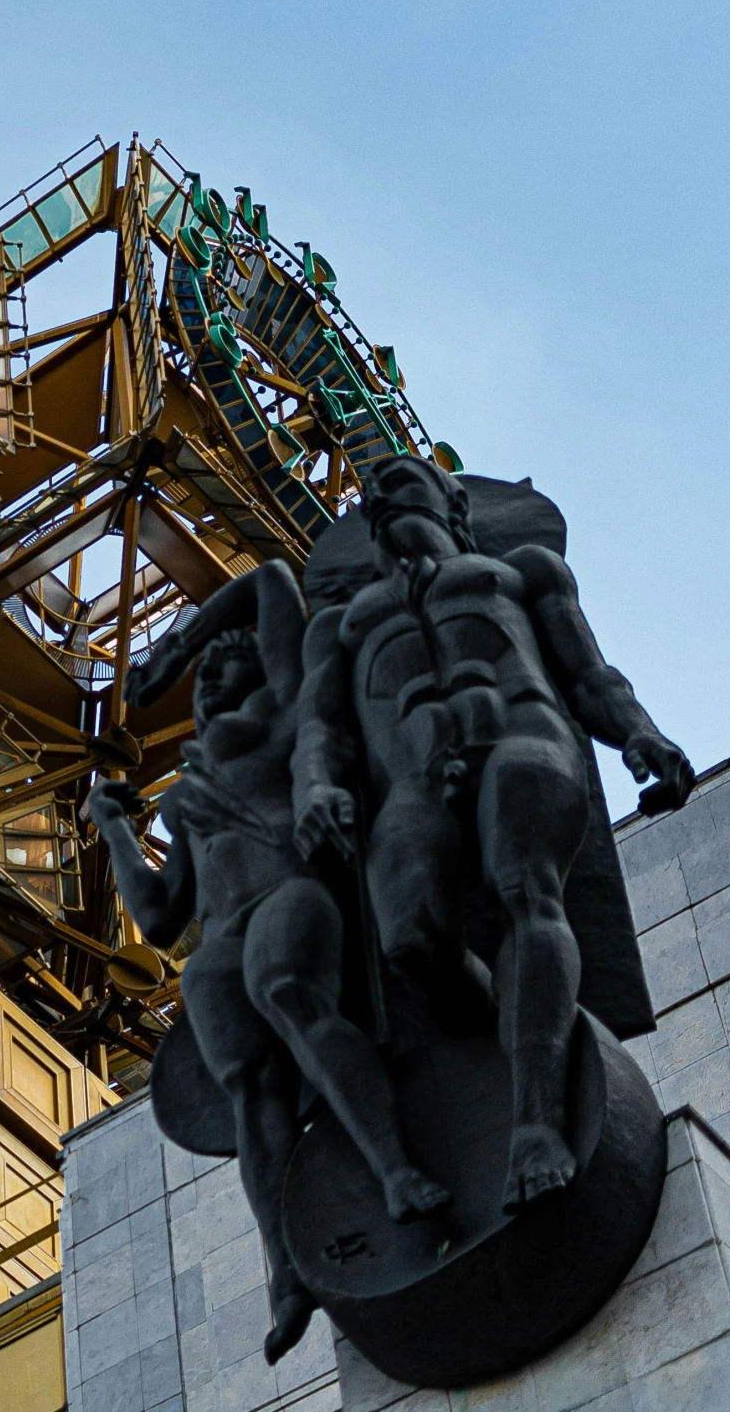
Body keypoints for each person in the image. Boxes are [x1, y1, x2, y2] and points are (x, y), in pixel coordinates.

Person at [291, 455, 694, 1211]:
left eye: (403, 481)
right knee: (408, 938)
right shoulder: (342, 627)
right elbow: (321, 729)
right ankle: (501, 1022)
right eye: (371, 493)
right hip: (410, 778)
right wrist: (315, 786)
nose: (381, 494)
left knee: (527, 888)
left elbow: (589, 673)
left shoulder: (519, 571)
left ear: (454, 502)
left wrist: (640, 732)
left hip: (522, 736)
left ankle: (535, 1120)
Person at [87, 559, 446, 1363]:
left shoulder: (287, 712)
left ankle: (396, 1168)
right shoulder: (186, 790)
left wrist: (179, 649)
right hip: (213, 942)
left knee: (290, 991)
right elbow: (156, 912)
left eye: (225, 667)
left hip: (289, 894)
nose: (210, 684)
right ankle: (285, 1269)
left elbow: (270, 582)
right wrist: (113, 829)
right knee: (251, 1090)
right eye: (202, 680)